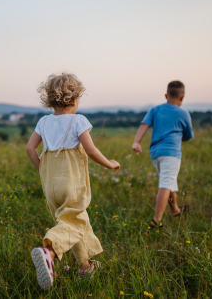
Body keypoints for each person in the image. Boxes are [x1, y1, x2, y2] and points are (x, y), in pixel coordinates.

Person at [25, 73, 120, 290]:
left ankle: (85, 267)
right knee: (73, 221)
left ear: (50, 100)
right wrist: (109, 164)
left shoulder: (43, 121)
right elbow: (91, 149)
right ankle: (49, 251)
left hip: (50, 184)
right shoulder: (78, 120)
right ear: (75, 99)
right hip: (71, 183)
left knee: (73, 221)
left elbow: (30, 148)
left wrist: (43, 170)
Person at [132, 80, 194, 230]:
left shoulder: (155, 109)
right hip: (171, 154)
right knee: (166, 183)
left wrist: (137, 142)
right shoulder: (183, 113)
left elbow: (144, 125)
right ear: (182, 98)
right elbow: (188, 136)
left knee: (169, 181)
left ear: (166, 95)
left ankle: (175, 210)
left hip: (155, 153)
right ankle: (156, 220)